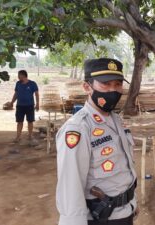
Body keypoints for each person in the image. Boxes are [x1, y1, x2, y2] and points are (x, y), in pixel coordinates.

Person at [56, 58, 138, 225]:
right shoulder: (78, 128)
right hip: (101, 218)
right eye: (105, 84)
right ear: (87, 87)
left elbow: (124, 167)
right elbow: (71, 186)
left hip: (124, 212)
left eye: (117, 84)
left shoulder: (116, 120)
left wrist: (132, 203)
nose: (113, 90)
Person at [9, 70, 39, 145]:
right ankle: (18, 137)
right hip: (20, 106)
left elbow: (36, 94)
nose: (18, 77)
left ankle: (30, 135)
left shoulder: (32, 84)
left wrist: (38, 104)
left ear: (23, 75)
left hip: (30, 106)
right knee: (19, 122)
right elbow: (16, 94)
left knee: (30, 121)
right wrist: (12, 102)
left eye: (19, 75)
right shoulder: (18, 83)